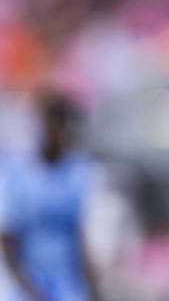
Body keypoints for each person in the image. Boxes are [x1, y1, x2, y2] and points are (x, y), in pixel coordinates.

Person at [0, 89, 101, 301]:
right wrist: (33, 293)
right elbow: (9, 243)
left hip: (68, 287)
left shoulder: (77, 171)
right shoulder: (17, 174)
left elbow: (81, 237)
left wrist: (94, 290)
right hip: (26, 287)